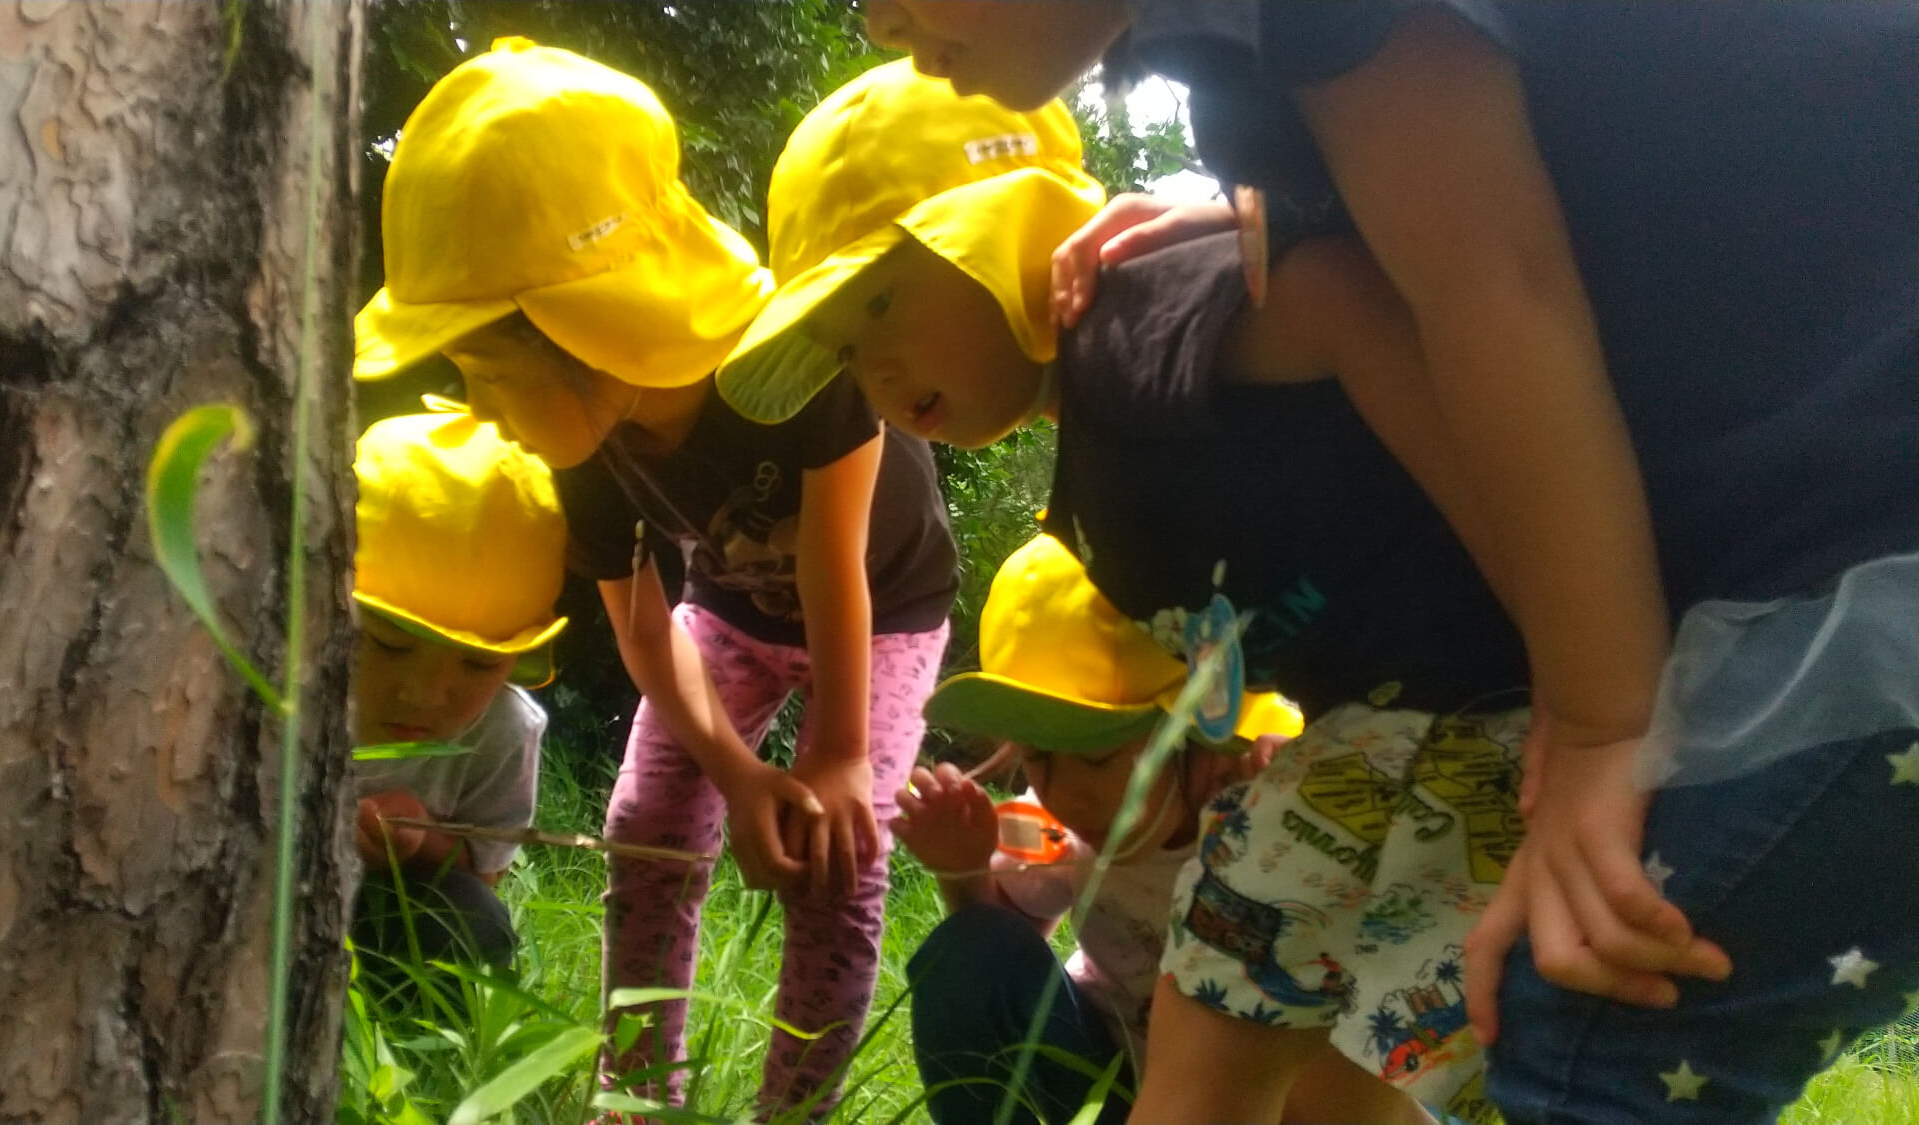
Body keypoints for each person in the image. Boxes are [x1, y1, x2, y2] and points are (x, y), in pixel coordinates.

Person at [867, 5, 1918, 1122]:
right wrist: (1242, 205)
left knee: (1586, 1049)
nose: (879, 17)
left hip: (1849, 550)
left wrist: (1603, 721)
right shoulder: (1256, 68)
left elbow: (1493, 281)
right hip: (1784, 550)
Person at [716, 59, 1541, 1121]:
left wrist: (1565, 650)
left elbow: (1336, 298)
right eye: (844, 347)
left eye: (880, 302)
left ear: (1004, 228)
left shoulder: (1121, 338)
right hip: (1371, 740)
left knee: (1338, 1091)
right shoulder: (1092, 479)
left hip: (1492, 712)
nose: (870, 373)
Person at [352, 39, 958, 1115]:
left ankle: (796, 1108)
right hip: (721, 609)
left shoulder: (787, 365)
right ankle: (634, 1096)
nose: (476, 404)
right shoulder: (581, 450)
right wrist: (735, 773)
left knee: (841, 854)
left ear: (584, 331)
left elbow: (836, 572)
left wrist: (831, 756)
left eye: (485, 369)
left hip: (878, 612)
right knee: (648, 819)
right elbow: (641, 631)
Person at [894, 533, 1355, 1125]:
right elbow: (999, 954)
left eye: (1095, 757)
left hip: (1266, 1099)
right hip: (1115, 1081)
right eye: (1037, 755)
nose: (1063, 790)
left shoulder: (1270, 802)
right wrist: (962, 868)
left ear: (1197, 733)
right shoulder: (1053, 824)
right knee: (965, 952)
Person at [348, 409, 569, 972]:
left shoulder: (504, 731)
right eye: (390, 645)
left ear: (516, 659)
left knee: (474, 921)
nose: (424, 694)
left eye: (477, 665)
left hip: (388, 909)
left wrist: (420, 840)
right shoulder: (273, 687)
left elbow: (485, 871)